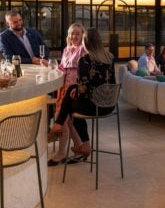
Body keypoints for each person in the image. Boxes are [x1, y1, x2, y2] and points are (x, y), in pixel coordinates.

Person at [51, 27, 115, 160]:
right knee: (71, 91)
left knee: (70, 106)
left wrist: (75, 94)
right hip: (109, 105)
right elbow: (111, 83)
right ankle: (62, 127)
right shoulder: (110, 58)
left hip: (94, 106)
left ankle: (61, 127)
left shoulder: (84, 60)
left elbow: (84, 92)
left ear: (85, 42)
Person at [48, 23, 87, 166]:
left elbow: (84, 70)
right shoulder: (66, 49)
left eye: (77, 33)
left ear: (83, 35)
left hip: (76, 90)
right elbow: (61, 68)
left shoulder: (84, 49)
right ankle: (79, 148)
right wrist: (50, 68)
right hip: (64, 88)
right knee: (68, 120)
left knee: (62, 119)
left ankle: (61, 153)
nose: (74, 36)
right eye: (71, 33)